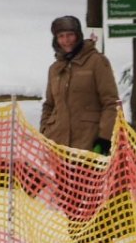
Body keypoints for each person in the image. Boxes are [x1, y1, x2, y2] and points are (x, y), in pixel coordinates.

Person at [39, 15, 119, 153]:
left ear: (78, 36)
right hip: (58, 146)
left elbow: (110, 103)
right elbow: (49, 105)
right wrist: (45, 131)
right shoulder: (55, 69)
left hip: (89, 144)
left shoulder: (96, 61)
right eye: (61, 36)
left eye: (70, 35)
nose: (66, 40)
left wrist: (105, 138)